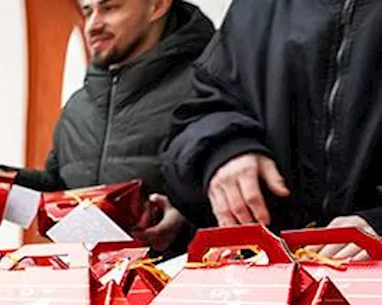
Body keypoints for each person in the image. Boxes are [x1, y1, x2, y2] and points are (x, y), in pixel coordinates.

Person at [162, 0, 382, 254]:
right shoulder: (256, 7)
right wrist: (222, 151)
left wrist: (377, 224)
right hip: (269, 271)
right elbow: (199, 113)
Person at [6, 0, 214, 255]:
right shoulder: (77, 106)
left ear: (157, 6)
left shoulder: (210, 88)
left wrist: (186, 222)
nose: (93, 25)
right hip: (84, 288)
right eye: (87, 11)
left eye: (110, 8)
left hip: (183, 289)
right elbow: (62, 187)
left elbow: (250, 199)